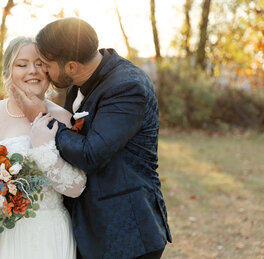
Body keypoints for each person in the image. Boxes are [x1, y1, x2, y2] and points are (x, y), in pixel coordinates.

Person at [11, 17, 172, 259]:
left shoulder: (128, 86)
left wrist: (43, 120)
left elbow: (90, 153)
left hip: (126, 233)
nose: (43, 70)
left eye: (46, 64)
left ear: (72, 66)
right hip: (91, 229)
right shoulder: (77, 82)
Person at [0, 36, 86, 259]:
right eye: (22, 64)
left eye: (40, 64)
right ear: (7, 72)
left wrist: (43, 150)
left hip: (41, 236)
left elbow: (76, 187)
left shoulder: (63, 119)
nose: (33, 71)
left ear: (50, 71)